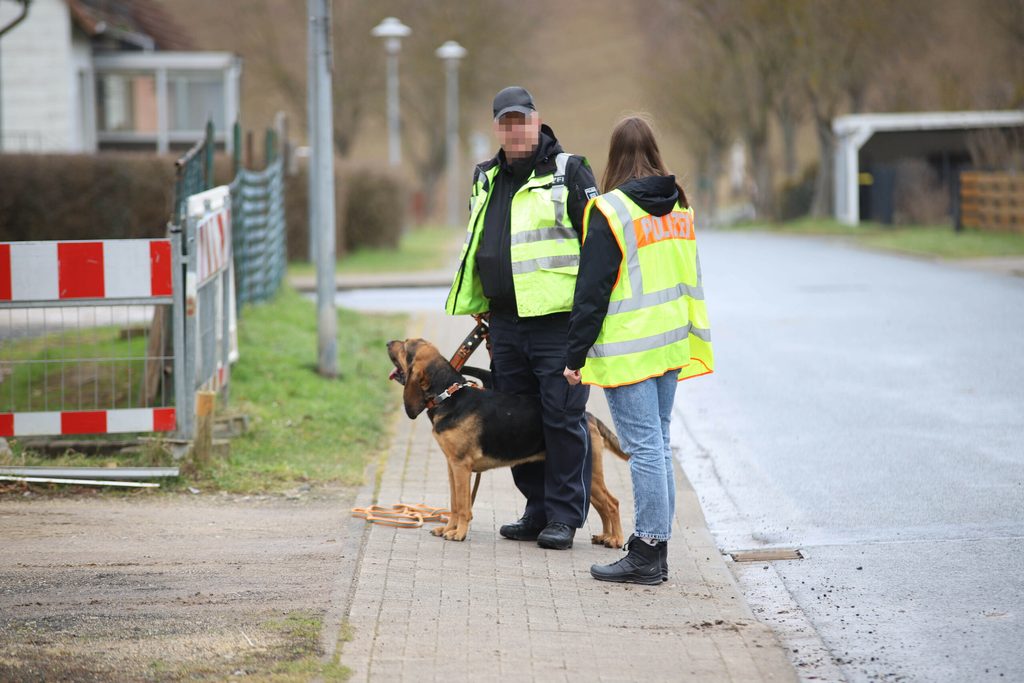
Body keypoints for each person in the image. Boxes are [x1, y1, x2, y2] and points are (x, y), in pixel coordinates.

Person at [445, 86, 600, 550]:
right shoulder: (485, 176)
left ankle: (564, 517)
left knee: (562, 418)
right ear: (497, 128)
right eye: (506, 122)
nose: (515, 129)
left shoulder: (568, 171)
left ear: (538, 120)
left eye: (522, 120)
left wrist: (589, 320)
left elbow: (598, 245)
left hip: (557, 323)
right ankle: (536, 510)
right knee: (515, 420)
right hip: (506, 324)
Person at [563, 115, 714, 583]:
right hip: (670, 343)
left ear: (614, 157)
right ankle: (656, 549)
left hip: (631, 350)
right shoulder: (679, 207)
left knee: (645, 448)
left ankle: (648, 550)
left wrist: (575, 356)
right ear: (654, 152)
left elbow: (592, 292)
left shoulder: (611, 210)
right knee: (658, 446)